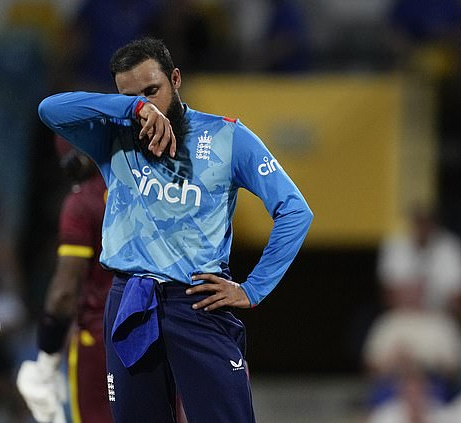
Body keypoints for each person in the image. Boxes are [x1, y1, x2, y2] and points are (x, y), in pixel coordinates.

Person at [37, 37, 313, 423]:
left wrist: (253, 289)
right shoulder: (111, 137)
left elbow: (295, 211)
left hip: (199, 300)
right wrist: (132, 108)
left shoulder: (227, 137)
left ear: (176, 79)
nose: (148, 105)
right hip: (129, 299)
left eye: (153, 91)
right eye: (134, 97)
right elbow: (50, 109)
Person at [17, 137, 113, 423]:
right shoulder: (147, 189)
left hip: (100, 339)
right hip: (156, 334)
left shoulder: (82, 202)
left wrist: (47, 357)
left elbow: (63, 294)